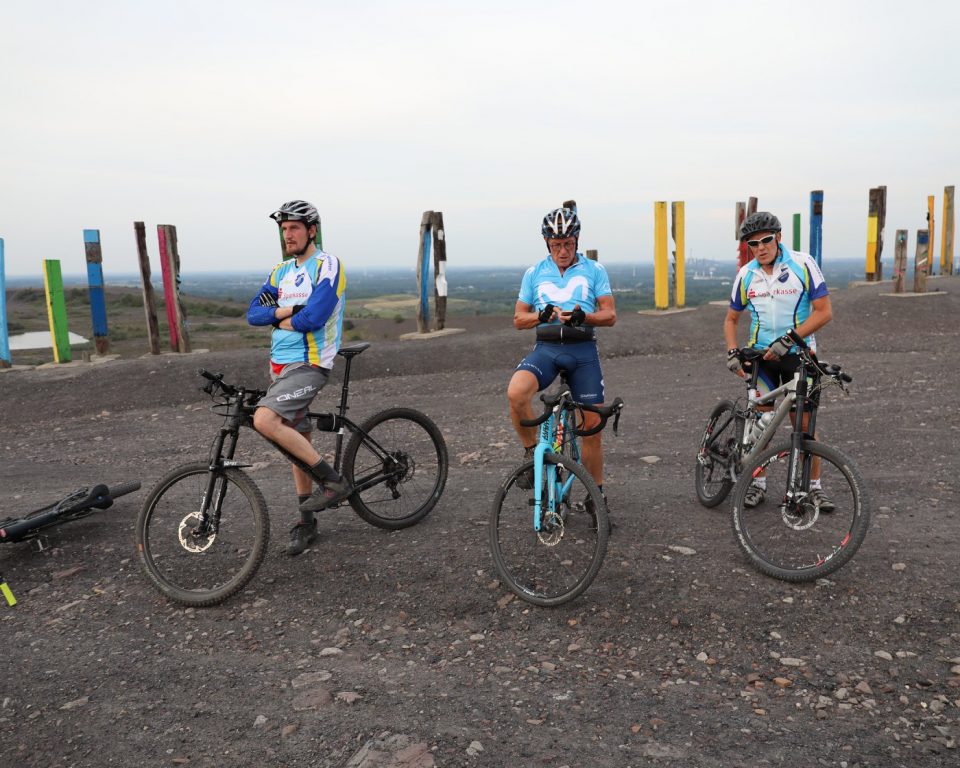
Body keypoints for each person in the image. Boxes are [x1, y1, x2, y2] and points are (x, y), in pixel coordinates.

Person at [246, 199, 350, 556]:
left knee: (265, 419)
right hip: (279, 365)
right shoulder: (280, 273)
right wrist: (287, 312)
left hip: (310, 364)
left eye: (293, 228)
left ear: (311, 230)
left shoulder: (327, 265)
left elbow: (315, 318)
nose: (287, 234)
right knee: (293, 439)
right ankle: (307, 521)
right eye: (283, 228)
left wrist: (278, 317)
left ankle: (334, 482)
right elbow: (252, 314)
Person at [507, 206, 617, 506]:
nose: (562, 251)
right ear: (547, 244)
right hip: (547, 349)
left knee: (591, 428)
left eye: (568, 244)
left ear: (577, 241)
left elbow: (610, 315)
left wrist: (585, 317)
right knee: (516, 394)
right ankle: (533, 454)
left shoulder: (594, 270)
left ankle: (597, 496)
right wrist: (540, 316)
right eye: (556, 245)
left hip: (582, 350)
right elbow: (518, 319)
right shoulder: (535, 273)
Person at [724, 211, 834, 509]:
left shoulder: (802, 264)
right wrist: (733, 352)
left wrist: (790, 340)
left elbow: (824, 312)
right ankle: (757, 483)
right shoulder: (746, 274)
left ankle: (814, 487)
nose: (760, 247)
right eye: (753, 243)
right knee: (762, 422)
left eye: (766, 240)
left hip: (799, 355)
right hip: (762, 358)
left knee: (805, 423)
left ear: (779, 238)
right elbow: (731, 319)